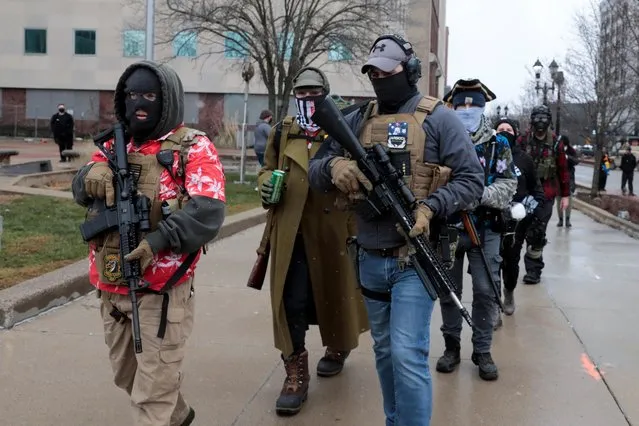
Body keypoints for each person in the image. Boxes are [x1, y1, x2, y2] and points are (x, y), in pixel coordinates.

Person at [308, 34, 484, 425]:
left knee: (408, 353)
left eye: (388, 72)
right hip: (369, 257)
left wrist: (430, 206)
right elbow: (316, 170)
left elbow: (473, 180)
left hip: (415, 260)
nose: (379, 79)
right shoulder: (356, 119)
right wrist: (335, 167)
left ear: (412, 72)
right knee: (385, 352)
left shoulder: (439, 118)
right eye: (372, 72)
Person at [71, 60, 226, 426]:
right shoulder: (112, 145)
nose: (140, 102)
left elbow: (209, 211)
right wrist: (88, 175)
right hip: (111, 286)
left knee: (151, 395)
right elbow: (81, 191)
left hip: (160, 291)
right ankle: (180, 414)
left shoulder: (192, 146)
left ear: (167, 98)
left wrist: (157, 242)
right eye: (132, 94)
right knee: (128, 376)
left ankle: (165, 408)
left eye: (150, 95)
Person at [256, 66, 369, 416]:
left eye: (314, 93)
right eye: (301, 94)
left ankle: (338, 345)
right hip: (292, 230)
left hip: (333, 227)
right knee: (291, 300)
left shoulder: (344, 128)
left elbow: (362, 171)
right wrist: (265, 184)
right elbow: (267, 167)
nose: (307, 100)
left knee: (335, 292)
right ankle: (295, 371)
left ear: (326, 93)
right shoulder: (283, 131)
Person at [436, 80, 517, 380]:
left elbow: (509, 184)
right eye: (462, 105)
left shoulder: (499, 144)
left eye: (473, 105)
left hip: (486, 228)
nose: (467, 110)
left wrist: (478, 194)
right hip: (450, 227)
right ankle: (451, 347)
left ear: (483, 107)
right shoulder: (442, 140)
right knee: (449, 290)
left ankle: (482, 349)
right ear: (453, 107)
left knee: (485, 290)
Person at [494, 118, 544, 315]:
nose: (505, 132)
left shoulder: (524, 159)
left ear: (515, 134)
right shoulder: (487, 155)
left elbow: (537, 191)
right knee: (491, 261)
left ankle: (509, 291)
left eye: (509, 129)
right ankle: (493, 304)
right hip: (492, 219)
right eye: (500, 129)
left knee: (511, 262)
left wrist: (526, 207)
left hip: (516, 223)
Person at [517, 105, 570, 284]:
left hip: (546, 194)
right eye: (537, 118)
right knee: (517, 232)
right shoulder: (522, 140)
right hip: (524, 194)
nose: (540, 122)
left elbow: (563, 170)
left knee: (537, 234)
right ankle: (511, 264)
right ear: (532, 120)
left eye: (544, 118)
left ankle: (533, 270)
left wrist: (565, 195)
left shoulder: (556, 142)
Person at [556, 135, 579, 227]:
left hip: (569, 178)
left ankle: (568, 219)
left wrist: (567, 157)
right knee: (559, 200)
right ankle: (561, 219)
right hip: (558, 177)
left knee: (569, 199)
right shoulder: (556, 149)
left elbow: (576, 161)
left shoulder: (571, 150)